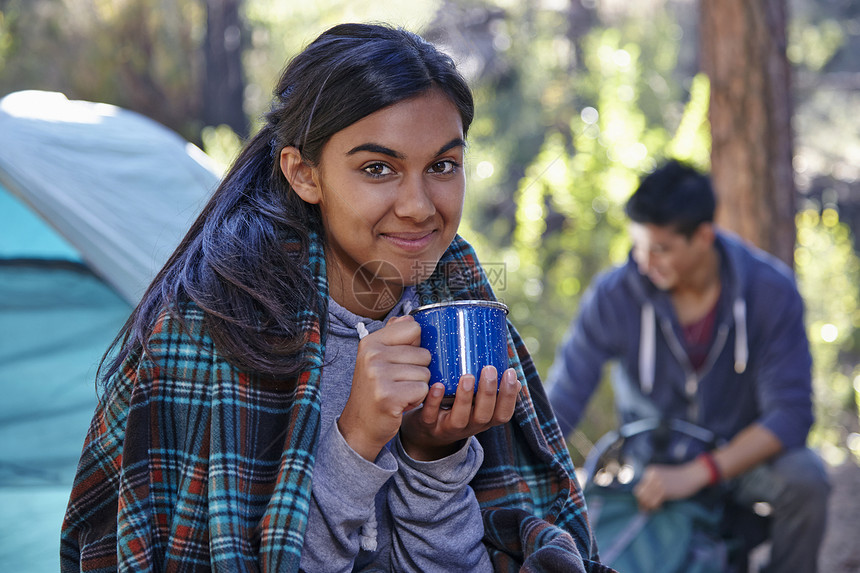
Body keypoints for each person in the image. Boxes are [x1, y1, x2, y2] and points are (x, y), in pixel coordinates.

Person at [61, 23, 613, 573]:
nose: (420, 206)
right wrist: (356, 439)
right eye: (378, 168)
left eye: (443, 165)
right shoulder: (214, 332)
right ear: (304, 174)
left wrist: (432, 453)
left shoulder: (457, 294)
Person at [546, 159, 830, 572]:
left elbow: (791, 415)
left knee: (806, 479)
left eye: (660, 249)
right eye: (638, 246)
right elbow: (562, 400)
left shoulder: (769, 290)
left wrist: (701, 472)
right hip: (650, 468)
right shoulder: (615, 294)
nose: (643, 262)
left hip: (740, 463)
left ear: (702, 236)